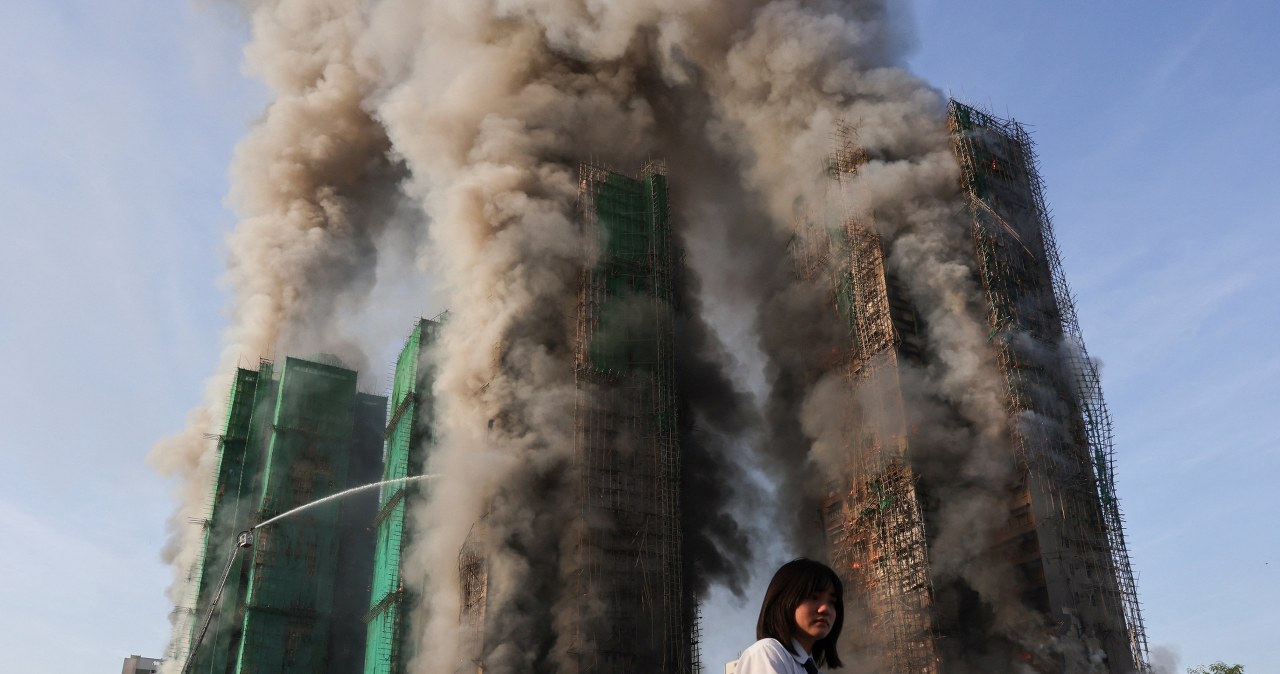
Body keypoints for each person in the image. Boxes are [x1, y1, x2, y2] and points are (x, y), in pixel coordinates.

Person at [734, 558, 844, 674]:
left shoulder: (811, 669)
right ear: (784, 600)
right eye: (814, 597)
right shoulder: (768, 653)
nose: (825, 609)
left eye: (832, 602)